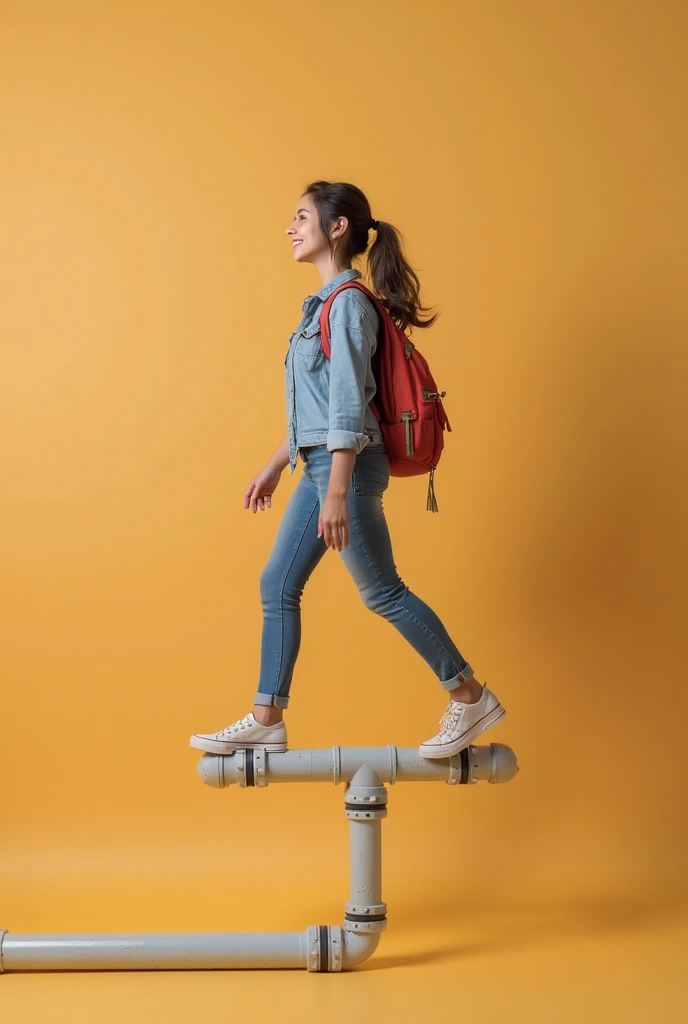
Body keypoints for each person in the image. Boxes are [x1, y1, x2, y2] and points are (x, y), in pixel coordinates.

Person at [189, 181, 505, 759]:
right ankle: (267, 717)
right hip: (319, 467)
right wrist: (271, 466)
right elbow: (312, 413)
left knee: (382, 591)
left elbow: (345, 406)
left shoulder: (350, 305)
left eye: (302, 216)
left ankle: (469, 693)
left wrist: (336, 491)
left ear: (337, 229)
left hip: (346, 471)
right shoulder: (325, 306)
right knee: (277, 584)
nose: (291, 227)